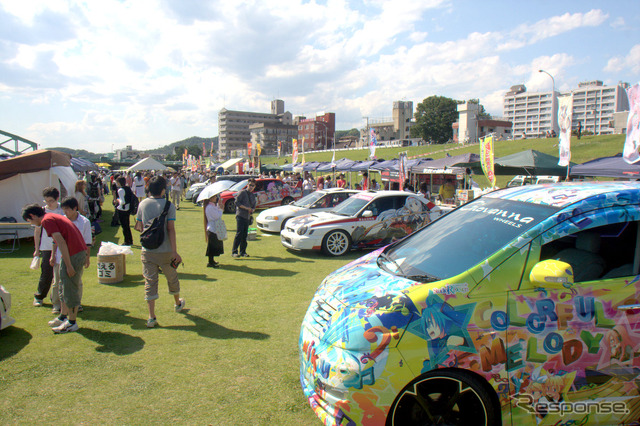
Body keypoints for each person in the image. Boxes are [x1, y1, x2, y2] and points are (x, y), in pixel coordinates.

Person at [22, 203, 88, 333]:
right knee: (63, 284)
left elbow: (61, 241)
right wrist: (55, 256)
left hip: (74, 254)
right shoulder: (51, 217)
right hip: (72, 253)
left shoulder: (47, 220)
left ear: (32, 215)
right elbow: (59, 240)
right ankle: (63, 317)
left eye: (30, 220)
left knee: (70, 287)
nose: (32, 223)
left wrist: (69, 265)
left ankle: (72, 322)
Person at [134, 176, 185, 328]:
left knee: (150, 281)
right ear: (163, 189)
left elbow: (139, 225)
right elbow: (171, 229)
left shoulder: (143, 204)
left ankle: (151, 317)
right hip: (166, 250)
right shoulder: (168, 206)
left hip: (148, 250)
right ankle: (177, 303)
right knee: (172, 277)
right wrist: (175, 251)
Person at [33, 187, 64, 311]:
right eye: (46, 201)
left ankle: (58, 299)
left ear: (57, 199)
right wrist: (36, 249)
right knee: (46, 273)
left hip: (61, 246)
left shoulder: (63, 209)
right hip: (46, 247)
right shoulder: (41, 211)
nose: (48, 204)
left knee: (62, 274)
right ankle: (39, 296)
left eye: (51, 201)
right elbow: (37, 231)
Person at [59, 197, 92, 313]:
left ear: (75, 208)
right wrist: (53, 255)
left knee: (76, 280)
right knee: (62, 281)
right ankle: (64, 307)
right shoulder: (61, 220)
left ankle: (77, 304)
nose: (65, 212)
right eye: (63, 210)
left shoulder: (84, 222)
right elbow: (55, 241)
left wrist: (87, 258)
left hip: (78, 254)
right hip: (63, 254)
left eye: (67, 209)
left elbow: (88, 241)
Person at [231, 178, 257, 258]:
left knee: (244, 235)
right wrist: (246, 208)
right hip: (240, 215)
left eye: (253, 186)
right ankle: (234, 251)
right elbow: (237, 202)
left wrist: (252, 209)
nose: (251, 187)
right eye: (250, 185)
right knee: (239, 233)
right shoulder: (242, 192)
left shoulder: (253, 195)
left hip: (247, 217)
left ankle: (243, 251)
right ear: (247, 185)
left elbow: (254, 206)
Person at [204, 194, 225, 267]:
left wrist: (220, 207)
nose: (216, 198)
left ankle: (212, 260)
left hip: (214, 227)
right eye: (215, 196)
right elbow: (217, 216)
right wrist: (221, 210)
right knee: (211, 246)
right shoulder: (210, 207)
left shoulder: (212, 206)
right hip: (212, 228)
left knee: (214, 245)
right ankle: (210, 262)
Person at [114, 176, 134, 246]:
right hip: (128, 208)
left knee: (124, 226)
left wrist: (117, 200)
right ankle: (130, 240)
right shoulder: (128, 188)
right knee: (127, 226)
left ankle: (126, 241)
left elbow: (122, 202)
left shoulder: (120, 190)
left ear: (119, 183)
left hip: (122, 209)